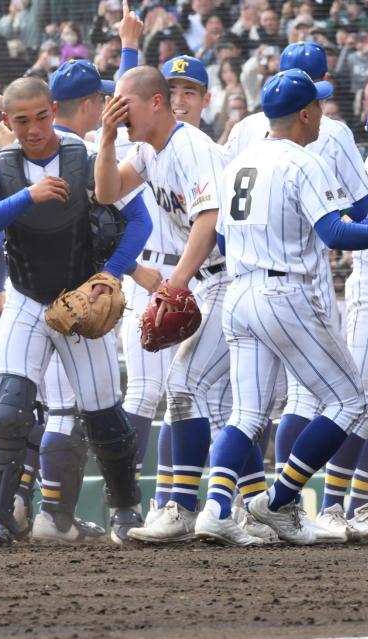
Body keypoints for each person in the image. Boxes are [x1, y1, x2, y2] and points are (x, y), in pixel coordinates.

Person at [194, 68, 368, 545]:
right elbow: (337, 233)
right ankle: (280, 502)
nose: (323, 114)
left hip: (239, 293)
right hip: (284, 293)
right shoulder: (302, 161)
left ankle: (217, 510)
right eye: (319, 107)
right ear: (305, 113)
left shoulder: (238, 161)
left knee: (247, 414)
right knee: (349, 401)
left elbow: (219, 233)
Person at [0, 76, 152, 547]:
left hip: (79, 299)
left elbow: (140, 221)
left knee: (104, 415)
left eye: (41, 117)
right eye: (21, 120)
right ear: (7, 121)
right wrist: (28, 195)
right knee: (6, 410)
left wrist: (110, 274)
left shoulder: (82, 158)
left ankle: (126, 511)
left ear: (53, 110)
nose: (33, 129)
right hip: (27, 297)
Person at [93, 63, 229, 544]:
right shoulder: (149, 150)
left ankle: (184, 505)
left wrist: (176, 282)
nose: (116, 113)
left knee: (189, 386)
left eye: (122, 106)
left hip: (229, 278)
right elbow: (106, 193)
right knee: (216, 400)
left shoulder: (191, 147)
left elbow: (209, 219)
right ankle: (231, 503)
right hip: (206, 279)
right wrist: (107, 140)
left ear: (155, 104)